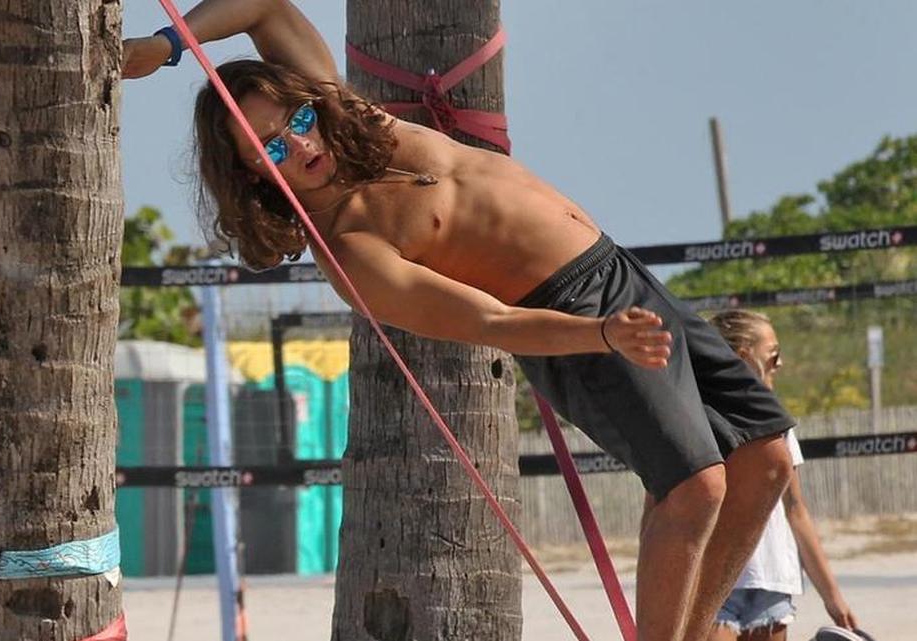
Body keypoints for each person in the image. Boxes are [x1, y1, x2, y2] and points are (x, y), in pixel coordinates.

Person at [124, 2, 795, 639]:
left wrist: (166, 45)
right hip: (571, 315)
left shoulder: (357, 125)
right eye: (272, 149)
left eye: (297, 121)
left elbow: (264, 9)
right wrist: (599, 334)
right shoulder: (354, 248)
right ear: (254, 177)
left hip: (618, 270)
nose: (300, 146)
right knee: (695, 487)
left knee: (765, 457)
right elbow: (494, 323)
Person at [708, 310, 858, 641]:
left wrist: (832, 596)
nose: (780, 363)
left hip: (771, 582)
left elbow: (795, 511)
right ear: (744, 356)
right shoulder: (701, 420)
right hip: (713, 583)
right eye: (773, 354)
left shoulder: (777, 424)